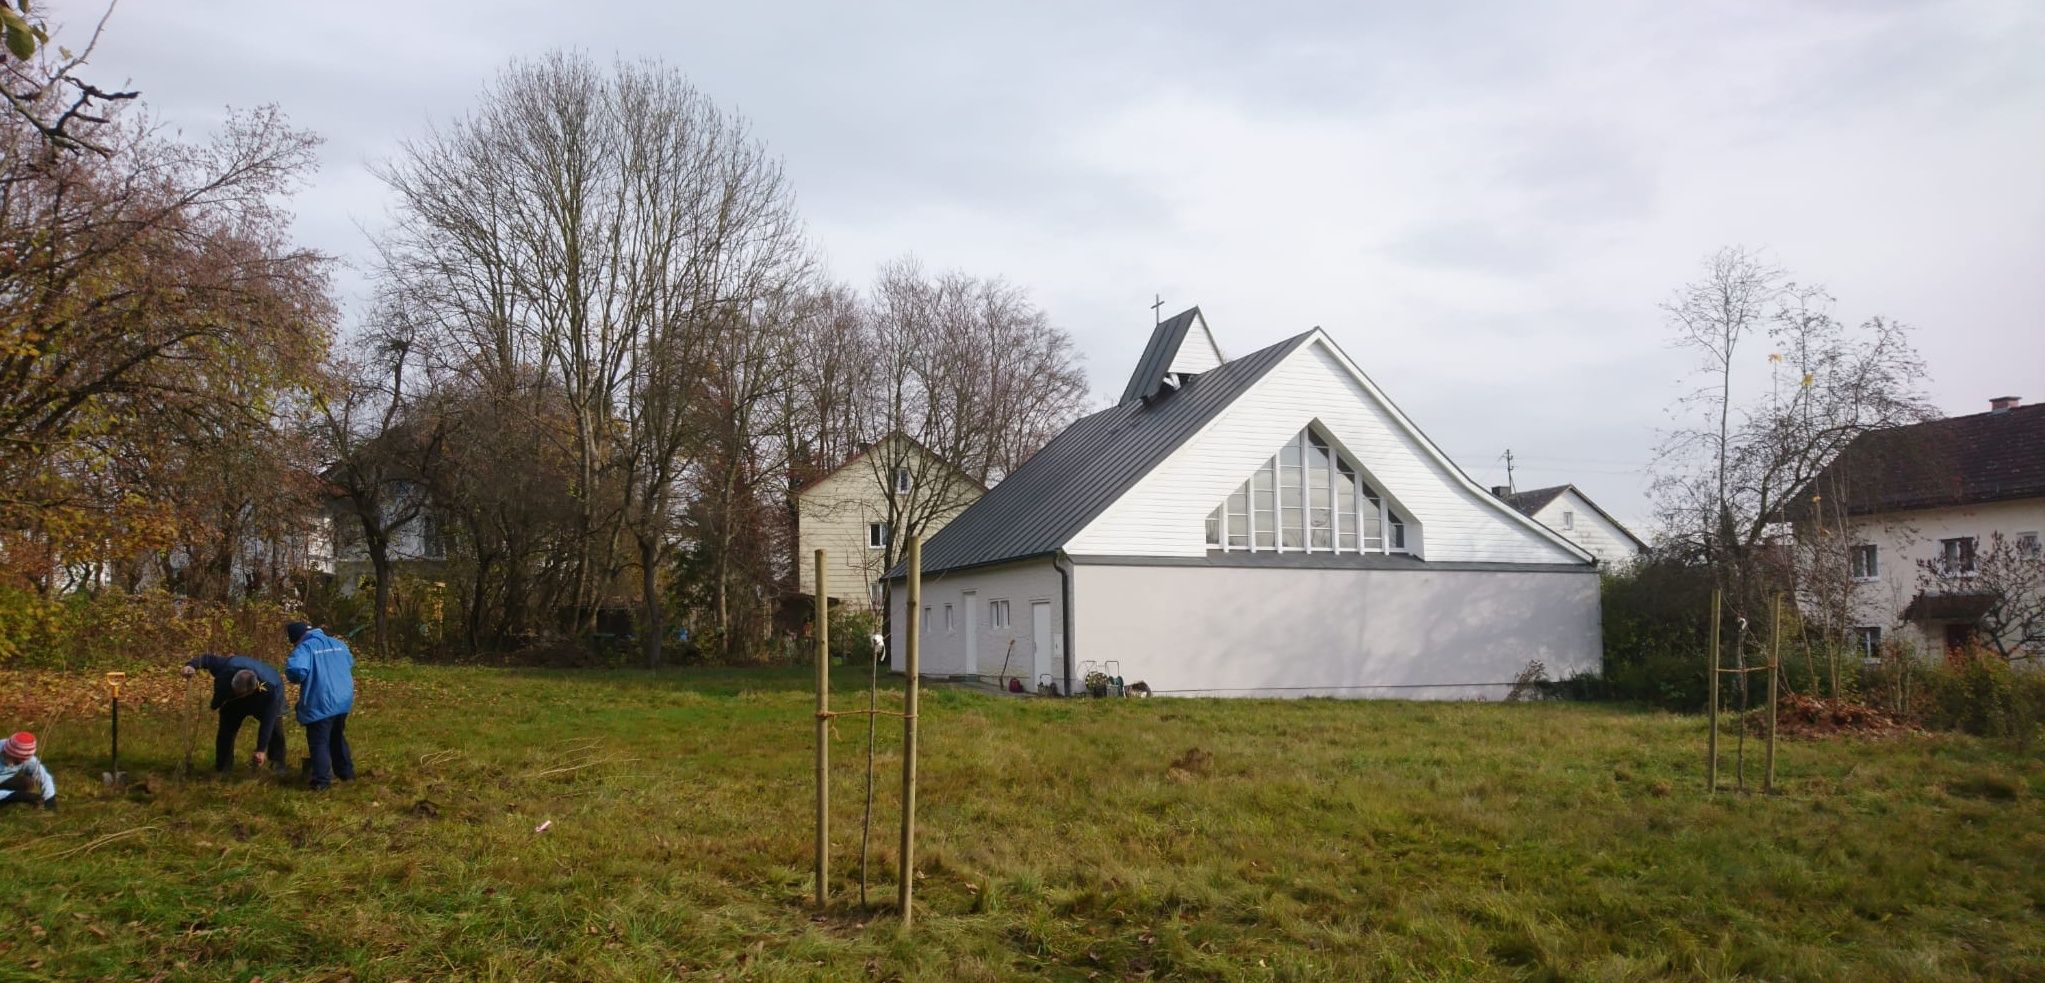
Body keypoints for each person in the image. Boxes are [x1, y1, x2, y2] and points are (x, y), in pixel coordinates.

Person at [181, 653, 288, 773]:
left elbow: (268, 721)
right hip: (233, 702)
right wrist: (191, 666)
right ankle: (223, 768)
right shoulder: (227, 666)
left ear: (250, 691)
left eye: (240, 693)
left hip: (265, 700)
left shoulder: (271, 689)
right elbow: (207, 658)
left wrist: (261, 749)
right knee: (226, 730)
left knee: (275, 729)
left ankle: (278, 765)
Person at [283, 621, 355, 791]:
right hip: (343, 699)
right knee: (337, 736)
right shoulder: (338, 643)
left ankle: (321, 782)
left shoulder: (305, 648)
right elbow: (350, 662)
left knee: (319, 742)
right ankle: (346, 773)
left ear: (297, 638)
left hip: (321, 701)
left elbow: (296, 671)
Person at [0, 732, 55, 810]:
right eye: (15, 760)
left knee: (27, 782)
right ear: (7, 752)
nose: (20, 763)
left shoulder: (27, 758)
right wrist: (16, 795)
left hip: (4, 782)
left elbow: (44, 777)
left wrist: (50, 800)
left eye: (21, 760)